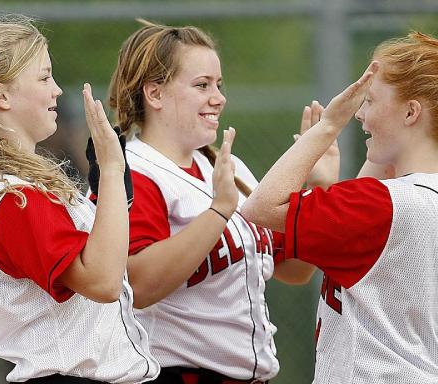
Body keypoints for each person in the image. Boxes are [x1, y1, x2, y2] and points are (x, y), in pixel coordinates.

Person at [241, 13, 438, 384]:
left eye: (370, 101)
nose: (359, 113)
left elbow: (259, 208)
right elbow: (361, 235)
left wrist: (326, 128)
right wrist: (327, 185)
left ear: (411, 112)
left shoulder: (384, 205)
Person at [0, 15, 159, 383]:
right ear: (0, 94)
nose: (57, 90)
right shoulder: (13, 197)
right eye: (44, 77)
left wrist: (110, 190)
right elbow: (103, 282)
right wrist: (110, 171)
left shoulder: (22, 188)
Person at [87, 20, 316, 384]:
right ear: (155, 94)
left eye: (219, 85)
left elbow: (294, 269)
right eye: (202, 85)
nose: (219, 97)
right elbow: (138, 286)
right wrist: (218, 211)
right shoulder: (135, 173)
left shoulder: (226, 166)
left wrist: (318, 185)